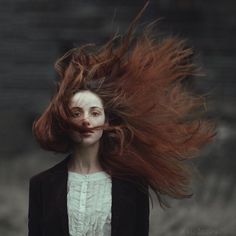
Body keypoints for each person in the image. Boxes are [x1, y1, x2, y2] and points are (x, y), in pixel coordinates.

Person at [28, 2, 216, 236]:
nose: (86, 121)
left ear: (108, 122)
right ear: (65, 120)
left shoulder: (133, 186)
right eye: (77, 113)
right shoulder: (42, 185)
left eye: (95, 113)